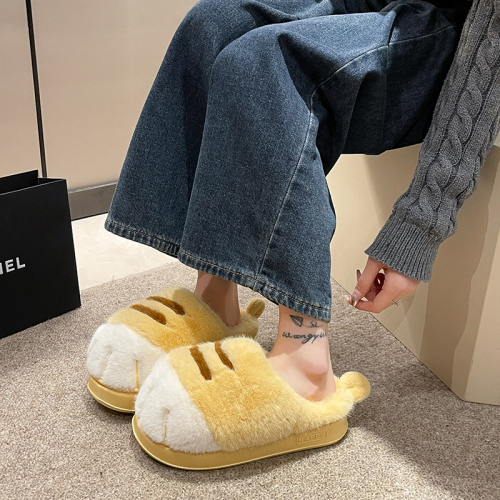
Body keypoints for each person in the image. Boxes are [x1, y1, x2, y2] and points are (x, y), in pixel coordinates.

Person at [86, 0, 500, 468]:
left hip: (462, 34)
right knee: (212, 22)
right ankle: (215, 296)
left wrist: (421, 223)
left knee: (268, 60)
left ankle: (307, 365)